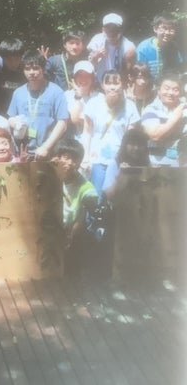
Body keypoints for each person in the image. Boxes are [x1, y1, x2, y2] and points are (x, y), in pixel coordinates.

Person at [81, 70, 140, 194]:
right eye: (108, 83)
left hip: (119, 161)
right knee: (96, 197)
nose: (112, 87)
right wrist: (85, 158)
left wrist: (128, 160)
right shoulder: (93, 104)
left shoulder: (130, 106)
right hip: (97, 160)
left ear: (122, 85)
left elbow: (131, 138)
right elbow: (87, 133)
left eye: (116, 83)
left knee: (117, 199)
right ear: (102, 85)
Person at [52, 139, 103, 280]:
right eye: (66, 157)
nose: (69, 163)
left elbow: (84, 214)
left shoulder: (86, 187)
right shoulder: (48, 175)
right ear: (57, 157)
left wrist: (69, 236)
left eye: (74, 159)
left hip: (70, 234)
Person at [7, 51, 68, 160]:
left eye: (35, 68)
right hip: (23, 152)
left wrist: (46, 147)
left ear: (43, 69)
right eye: (27, 69)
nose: (31, 72)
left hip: (47, 152)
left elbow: (63, 123)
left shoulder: (56, 92)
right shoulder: (18, 92)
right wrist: (16, 124)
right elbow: (11, 117)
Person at [141, 72, 187, 167]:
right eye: (166, 88)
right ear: (159, 91)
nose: (170, 93)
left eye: (175, 89)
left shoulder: (184, 109)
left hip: (182, 166)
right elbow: (155, 135)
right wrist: (175, 117)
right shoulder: (150, 110)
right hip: (157, 165)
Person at [87, 13, 136, 83]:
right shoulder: (96, 40)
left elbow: (128, 72)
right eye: (108, 29)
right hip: (99, 82)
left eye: (115, 29)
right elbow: (90, 64)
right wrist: (95, 56)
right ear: (103, 30)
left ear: (121, 30)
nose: (111, 32)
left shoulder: (129, 47)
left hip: (119, 84)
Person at [135, 14, 184, 81]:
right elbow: (138, 72)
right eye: (164, 28)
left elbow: (177, 70)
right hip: (147, 84)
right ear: (155, 29)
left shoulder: (174, 47)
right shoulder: (144, 48)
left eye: (171, 29)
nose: (167, 33)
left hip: (167, 84)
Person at [64, 60, 100, 143]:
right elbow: (73, 119)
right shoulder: (66, 95)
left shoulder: (99, 97)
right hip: (71, 142)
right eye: (80, 75)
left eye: (87, 75)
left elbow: (99, 124)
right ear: (74, 78)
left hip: (93, 142)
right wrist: (78, 97)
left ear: (92, 78)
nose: (83, 79)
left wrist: (81, 121)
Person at [0, 38, 25, 115]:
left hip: (20, 107)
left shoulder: (27, 67)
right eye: (9, 59)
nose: (13, 63)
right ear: (2, 57)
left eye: (17, 58)